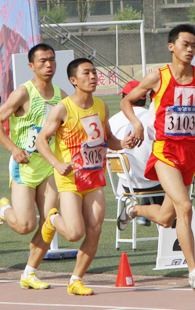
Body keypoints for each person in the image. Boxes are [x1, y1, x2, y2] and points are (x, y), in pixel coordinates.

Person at [118, 24, 195, 290]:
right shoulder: (157, 77)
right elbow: (125, 101)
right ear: (171, 47)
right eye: (185, 44)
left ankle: (133, 209)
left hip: (191, 151)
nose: (190, 50)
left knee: (167, 217)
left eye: (194, 45)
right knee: (185, 207)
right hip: (165, 150)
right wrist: (138, 124)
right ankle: (194, 271)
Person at [36, 58, 133, 296]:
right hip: (70, 179)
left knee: (96, 229)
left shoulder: (101, 105)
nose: (93, 77)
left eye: (94, 73)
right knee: (73, 234)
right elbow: (41, 141)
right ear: (73, 80)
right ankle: (52, 219)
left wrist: (122, 143)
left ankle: (76, 280)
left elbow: (107, 138)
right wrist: (57, 164)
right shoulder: (63, 108)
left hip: (95, 177)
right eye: (86, 73)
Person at [0, 43, 67, 290]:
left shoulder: (61, 96)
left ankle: (30, 273)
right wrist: (14, 148)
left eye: (52, 60)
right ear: (31, 65)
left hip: (48, 166)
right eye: (42, 61)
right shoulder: (23, 93)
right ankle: (3, 211)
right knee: (25, 226)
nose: (49, 65)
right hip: (24, 165)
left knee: (49, 220)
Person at [108, 80, 163, 227]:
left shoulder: (112, 120)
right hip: (155, 182)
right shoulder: (152, 117)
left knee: (128, 161)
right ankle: (142, 210)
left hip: (126, 185)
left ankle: (138, 208)